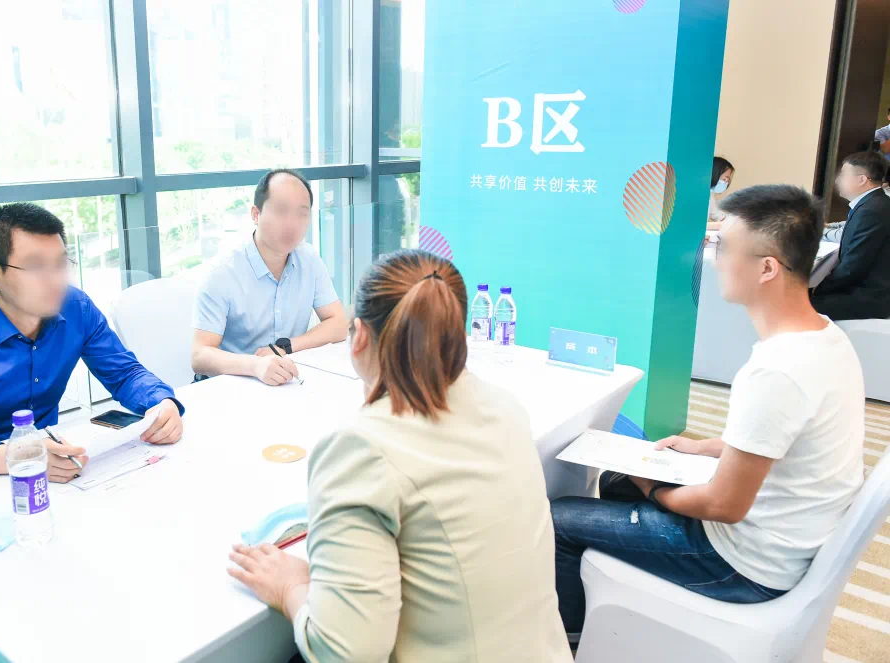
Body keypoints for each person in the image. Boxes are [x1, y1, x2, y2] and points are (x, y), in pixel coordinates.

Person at [552, 185, 864, 642]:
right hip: (786, 538)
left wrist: (655, 488)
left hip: (743, 565)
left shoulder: (777, 371)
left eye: (724, 248)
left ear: (767, 268)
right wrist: (703, 448)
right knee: (617, 483)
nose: (715, 261)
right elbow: (787, 439)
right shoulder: (826, 338)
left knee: (560, 519)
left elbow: (723, 506)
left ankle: (570, 643)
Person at [227, 250, 572, 662]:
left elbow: (344, 653)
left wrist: (290, 587)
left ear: (359, 336)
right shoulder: (506, 408)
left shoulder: (362, 448)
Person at [0, 203, 185, 481]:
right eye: (36, 267)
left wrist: (161, 402)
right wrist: (17, 456)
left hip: (50, 465)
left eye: (61, 264)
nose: (56, 280)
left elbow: (125, 374)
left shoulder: (76, 308)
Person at [191, 169, 348, 385]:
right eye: (281, 211)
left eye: (302, 213)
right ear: (255, 214)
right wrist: (255, 365)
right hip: (230, 385)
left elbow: (339, 324)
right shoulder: (223, 272)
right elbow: (199, 356)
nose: (292, 223)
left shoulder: (308, 258)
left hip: (285, 380)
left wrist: (285, 347)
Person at [811, 151, 890, 320]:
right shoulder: (873, 204)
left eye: (843, 175)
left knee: (795, 305)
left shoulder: (872, 210)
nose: (837, 180)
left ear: (861, 180)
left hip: (869, 296)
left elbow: (852, 268)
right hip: (868, 288)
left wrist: (817, 289)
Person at [706, 156, 735, 232]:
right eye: (725, 179)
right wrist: (718, 225)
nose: (726, 183)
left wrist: (734, 219)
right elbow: (694, 225)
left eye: (728, 180)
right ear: (714, 174)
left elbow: (716, 214)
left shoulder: (710, 195)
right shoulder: (697, 194)